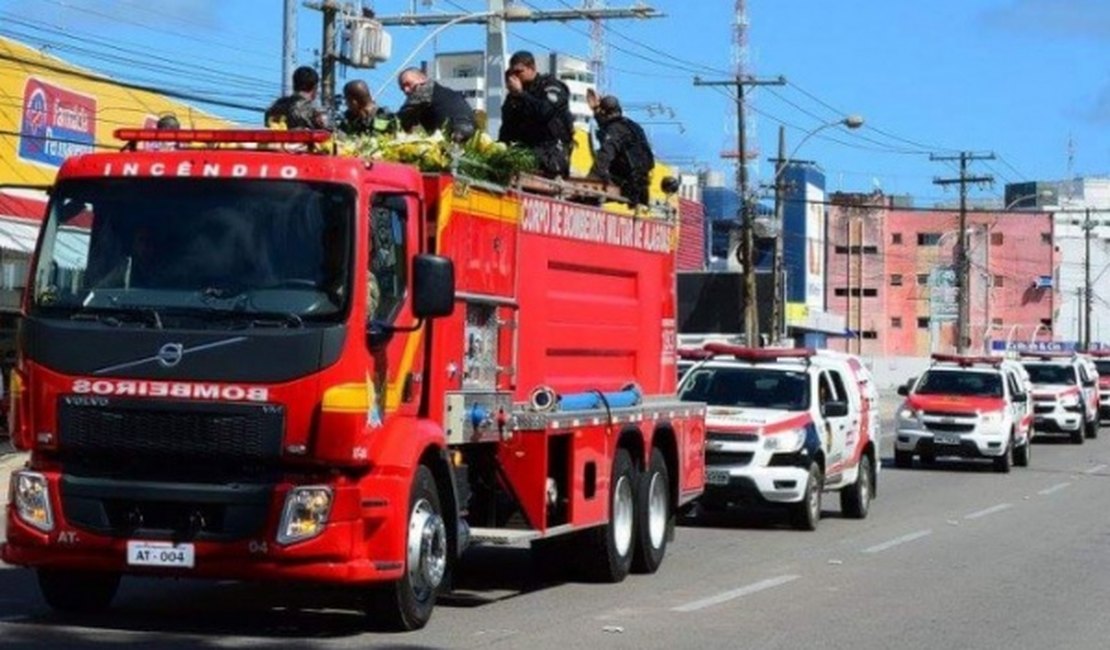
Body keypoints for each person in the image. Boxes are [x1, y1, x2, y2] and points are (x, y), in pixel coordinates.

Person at [498, 51, 574, 179]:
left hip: (552, 152)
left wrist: (521, 94)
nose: (515, 78)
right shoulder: (516, 95)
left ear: (532, 68)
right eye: (512, 73)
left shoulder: (550, 86)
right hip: (527, 150)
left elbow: (545, 112)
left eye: (518, 72)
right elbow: (507, 126)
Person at [588, 92, 654, 207]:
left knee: (585, 196)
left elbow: (604, 158)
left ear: (604, 113)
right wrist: (596, 111)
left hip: (626, 187)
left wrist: (589, 182)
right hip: (643, 188)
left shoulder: (614, 130)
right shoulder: (633, 126)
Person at [395, 68, 476, 142]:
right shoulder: (445, 92)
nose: (406, 90)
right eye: (402, 88)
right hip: (470, 138)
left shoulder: (425, 89)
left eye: (408, 84)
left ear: (422, 79)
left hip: (454, 134)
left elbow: (402, 118)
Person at [265, 66, 328, 130]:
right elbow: (327, 133)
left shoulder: (273, 108)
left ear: (294, 85)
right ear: (315, 88)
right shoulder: (315, 111)